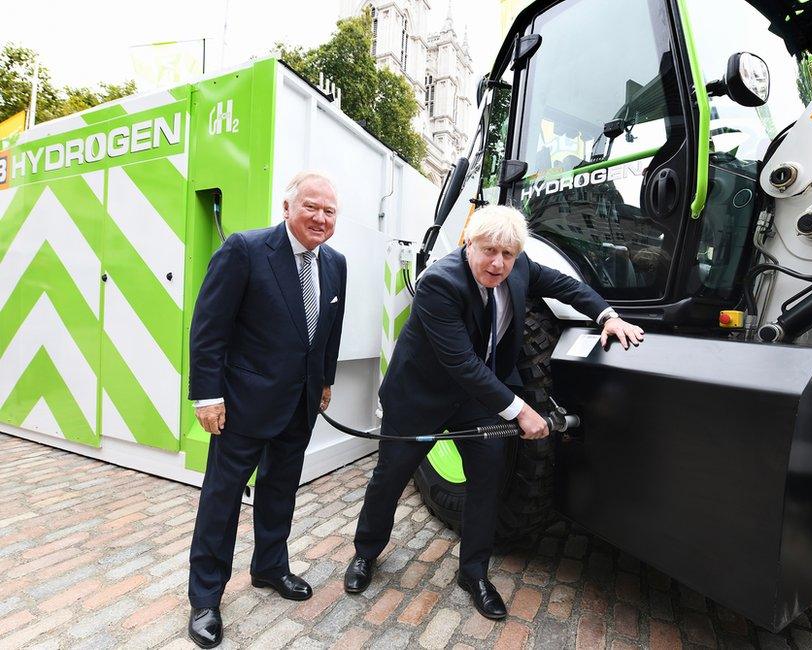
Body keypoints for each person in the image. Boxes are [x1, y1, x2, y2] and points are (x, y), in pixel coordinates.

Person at [344, 205, 643, 619]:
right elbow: (461, 363)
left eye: (508, 253)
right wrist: (521, 410)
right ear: (469, 243)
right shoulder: (439, 283)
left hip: (476, 399)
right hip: (422, 396)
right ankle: (365, 553)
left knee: (487, 477)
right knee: (390, 476)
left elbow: (562, 284)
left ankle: (474, 573)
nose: (498, 263)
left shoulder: (518, 267)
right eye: (488, 250)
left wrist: (607, 316)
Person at [185, 171, 346, 648]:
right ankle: (206, 598)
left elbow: (327, 332)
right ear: (287, 208)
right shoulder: (245, 250)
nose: (320, 218)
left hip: (299, 405)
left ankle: (270, 567)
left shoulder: (335, 263)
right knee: (223, 498)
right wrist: (207, 395)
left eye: (329, 211)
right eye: (311, 207)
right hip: (242, 406)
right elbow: (209, 326)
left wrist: (326, 382)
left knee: (280, 491)